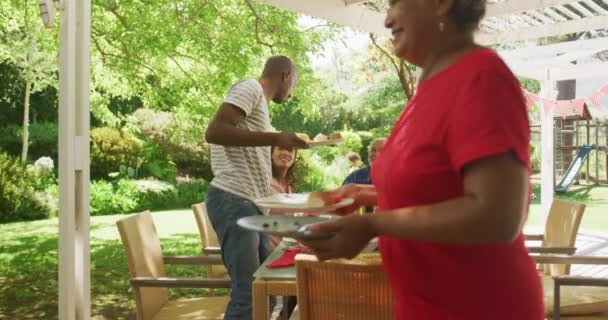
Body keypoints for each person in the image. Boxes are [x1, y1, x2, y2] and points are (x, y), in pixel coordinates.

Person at [301, 1, 544, 319]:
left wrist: (372, 224)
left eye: (395, 3)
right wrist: (367, 195)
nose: (386, 20)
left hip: (478, 307)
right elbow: (442, 190)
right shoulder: (429, 88)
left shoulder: (482, 77)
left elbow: (498, 216)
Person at [204, 56, 308, 320]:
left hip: (250, 206)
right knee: (248, 292)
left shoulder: (260, 106)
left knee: (267, 290)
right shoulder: (250, 87)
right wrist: (276, 137)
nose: (291, 92)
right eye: (293, 83)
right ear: (285, 75)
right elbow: (215, 131)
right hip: (233, 199)